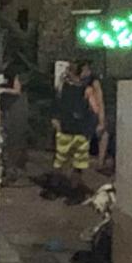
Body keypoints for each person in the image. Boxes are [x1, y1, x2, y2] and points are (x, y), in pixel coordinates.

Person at [47, 59, 102, 202]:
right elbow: (95, 109)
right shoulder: (87, 89)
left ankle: (54, 189)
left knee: (59, 160)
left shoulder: (62, 85)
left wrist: (55, 120)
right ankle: (74, 193)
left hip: (65, 127)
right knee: (78, 163)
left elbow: (56, 103)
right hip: (81, 129)